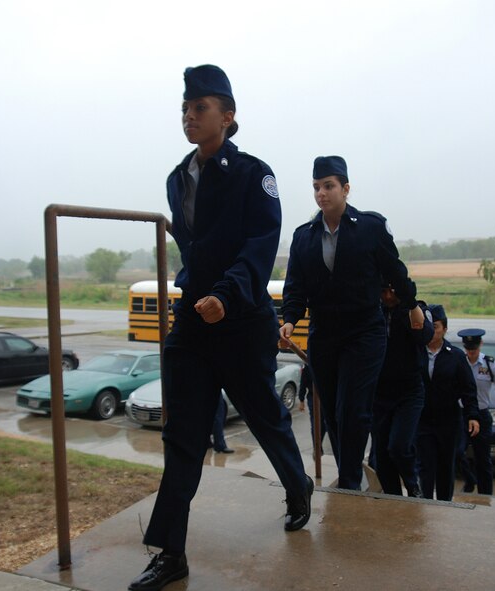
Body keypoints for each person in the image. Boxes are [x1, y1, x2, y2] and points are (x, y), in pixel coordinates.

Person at [131, 65, 313, 591]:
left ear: (227, 117)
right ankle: (170, 553)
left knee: (263, 415)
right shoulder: (176, 178)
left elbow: (260, 244)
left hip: (241, 319)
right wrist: (197, 294)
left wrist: (226, 294)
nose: (190, 116)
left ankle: (297, 484)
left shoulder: (255, 174)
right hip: (193, 321)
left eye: (201, 108)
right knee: (182, 436)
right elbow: (192, 248)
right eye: (185, 109)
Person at [279, 155, 424, 490]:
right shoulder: (304, 237)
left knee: (354, 410)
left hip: (364, 332)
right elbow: (295, 286)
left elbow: (395, 271)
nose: (321, 193)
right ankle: (349, 472)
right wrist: (289, 320)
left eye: (328, 186)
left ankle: (348, 480)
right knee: (331, 411)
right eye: (316, 187)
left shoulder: (370, 228)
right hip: (324, 334)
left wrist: (412, 305)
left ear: (345, 188)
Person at [373, 286, 433, 497]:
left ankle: (412, 485)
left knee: (398, 446)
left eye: (392, 290)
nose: (388, 296)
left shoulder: (416, 309)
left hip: (409, 392)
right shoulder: (374, 310)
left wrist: (410, 302)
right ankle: (393, 498)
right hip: (379, 393)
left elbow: (425, 335)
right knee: (381, 456)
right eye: (383, 291)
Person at [416, 305, 480, 501]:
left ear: (444, 329)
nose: (432, 331)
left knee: (446, 466)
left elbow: (468, 389)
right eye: (429, 326)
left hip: (448, 422)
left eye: (435, 327)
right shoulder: (416, 351)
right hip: (422, 420)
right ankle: (426, 502)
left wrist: (472, 416)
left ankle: (445, 503)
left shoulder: (456, 356)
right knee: (426, 466)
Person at [456, 328, 495, 494]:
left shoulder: (490, 364)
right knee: (457, 451)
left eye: (474, 349)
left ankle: (485, 495)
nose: (471, 353)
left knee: (483, 459)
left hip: (482, 414)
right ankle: (470, 480)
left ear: (480, 345)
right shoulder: (459, 362)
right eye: (468, 349)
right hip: (462, 414)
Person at [297, 362, 327, 445]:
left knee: (324, 423)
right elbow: (303, 382)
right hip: (313, 396)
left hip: (326, 396)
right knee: (315, 422)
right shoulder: (308, 364)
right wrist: (301, 400)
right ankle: (316, 447)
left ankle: (318, 445)